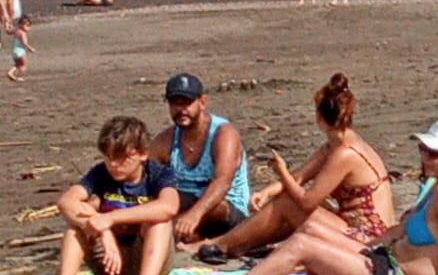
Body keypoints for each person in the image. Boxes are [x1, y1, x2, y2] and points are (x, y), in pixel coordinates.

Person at [185, 74, 396, 263]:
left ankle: (222, 244)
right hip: (352, 225)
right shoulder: (335, 145)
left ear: (319, 118)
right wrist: (267, 192)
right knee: (287, 199)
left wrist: (281, 172)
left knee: (289, 203)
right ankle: (237, 243)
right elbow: (300, 176)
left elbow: (306, 201)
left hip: (370, 239)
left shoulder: (345, 153)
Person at [246, 119, 438, 275]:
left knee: (301, 246)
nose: (425, 158)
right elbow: (397, 231)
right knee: (310, 231)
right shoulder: (435, 187)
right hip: (384, 257)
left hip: (394, 271)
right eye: (423, 150)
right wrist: (358, 247)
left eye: (434, 153)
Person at [56, 116, 179, 275]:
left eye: (123, 158)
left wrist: (110, 218)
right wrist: (104, 231)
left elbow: (169, 207)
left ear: (142, 154)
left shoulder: (157, 174)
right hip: (109, 257)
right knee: (75, 227)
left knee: (159, 222)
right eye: (109, 157)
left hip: (145, 254)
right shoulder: (100, 173)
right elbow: (66, 202)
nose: (114, 164)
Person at [148, 74, 252, 243]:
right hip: (185, 202)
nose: (181, 110)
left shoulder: (223, 134)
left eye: (187, 103)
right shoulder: (165, 140)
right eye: (175, 103)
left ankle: (165, 234)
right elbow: (144, 176)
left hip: (225, 208)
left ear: (202, 102)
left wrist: (194, 215)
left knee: (214, 210)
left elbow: (222, 182)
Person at [8, 14, 34, 82]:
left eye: (29, 26)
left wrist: (8, 26)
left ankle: (11, 72)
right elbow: (24, 43)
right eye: (27, 26)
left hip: (14, 51)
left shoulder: (16, 31)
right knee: (24, 65)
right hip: (20, 51)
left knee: (17, 64)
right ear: (21, 25)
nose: (28, 28)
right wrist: (30, 48)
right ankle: (18, 76)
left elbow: (8, 32)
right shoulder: (23, 33)